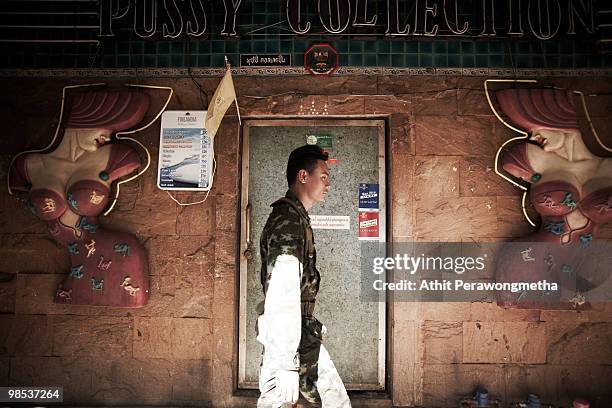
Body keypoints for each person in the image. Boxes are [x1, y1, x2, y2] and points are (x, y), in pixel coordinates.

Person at [8, 90, 151, 307]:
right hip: (74, 258)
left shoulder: (115, 157)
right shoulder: (28, 165)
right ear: (83, 122)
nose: (107, 137)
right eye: (106, 128)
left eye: (113, 133)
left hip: (116, 253)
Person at [493, 88, 612, 307]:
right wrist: (540, 172)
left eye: (539, 129)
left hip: (570, 267)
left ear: (562, 125)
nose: (535, 137)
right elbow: (509, 163)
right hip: (532, 259)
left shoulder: (606, 166)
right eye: (531, 131)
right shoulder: (537, 157)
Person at [256, 145, 351, 407]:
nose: (328, 183)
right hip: (290, 338)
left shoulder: (297, 218)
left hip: (299, 334)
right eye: (323, 176)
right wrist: (286, 361)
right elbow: (283, 289)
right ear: (303, 176)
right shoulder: (289, 221)